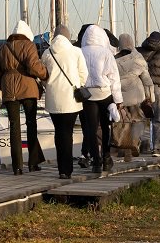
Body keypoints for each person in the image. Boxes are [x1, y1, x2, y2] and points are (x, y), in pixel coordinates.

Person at [0, 19, 48, 175]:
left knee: (14, 127)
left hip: (10, 91)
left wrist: (5, 85)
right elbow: (33, 66)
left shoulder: (3, 48)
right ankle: (33, 163)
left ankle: (17, 166)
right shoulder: (29, 45)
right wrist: (45, 74)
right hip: (28, 88)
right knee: (31, 124)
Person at [41, 25, 88, 179]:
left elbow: (43, 76)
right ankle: (67, 170)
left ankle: (62, 169)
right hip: (71, 98)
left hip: (53, 98)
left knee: (59, 132)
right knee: (68, 133)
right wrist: (77, 85)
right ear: (68, 36)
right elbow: (84, 74)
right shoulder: (76, 52)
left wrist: (49, 87)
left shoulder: (47, 53)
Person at [80, 25, 123, 173]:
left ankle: (96, 162)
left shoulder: (80, 52)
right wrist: (118, 99)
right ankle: (106, 157)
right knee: (106, 127)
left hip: (87, 95)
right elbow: (114, 77)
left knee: (91, 129)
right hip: (105, 93)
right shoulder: (106, 53)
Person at [113, 33, 154, 161]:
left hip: (120, 97)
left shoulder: (114, 60)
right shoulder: (138, 59)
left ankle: (124, 147)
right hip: (136, 96)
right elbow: (147, 80)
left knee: (122, 123)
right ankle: (134, 142)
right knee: (138, 122)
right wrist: (150, 97)